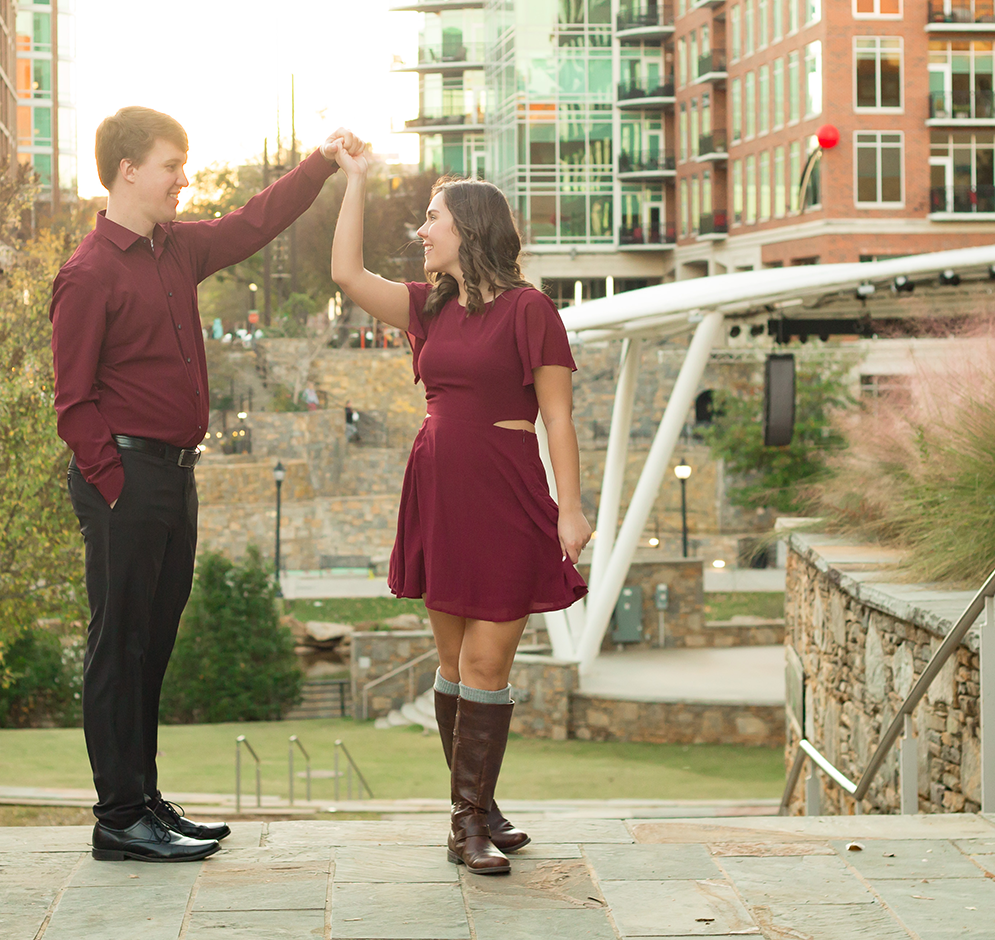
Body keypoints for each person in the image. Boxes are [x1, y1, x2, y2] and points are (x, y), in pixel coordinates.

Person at [50, 106, 359, 863]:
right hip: (125, 481)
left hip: (174, 477)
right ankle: (118, 817)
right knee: (117, 647)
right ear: (128, 170)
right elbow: (71, 401)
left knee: (151, 647)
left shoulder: (178, 249)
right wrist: (116, 484)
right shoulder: (88, 273)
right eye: (170, 168)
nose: (183, 181)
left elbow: (255, 222)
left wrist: (320, 163)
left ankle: (144, 798)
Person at [330, 146, 590, 875]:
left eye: (432, 219)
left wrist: (570, 509)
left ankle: (467, 821)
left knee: (486, 659)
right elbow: (346, 274)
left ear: (469, 230)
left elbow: (559, 421)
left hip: (507, 495)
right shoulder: (426, 305)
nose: (421, 231)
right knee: (452, 661)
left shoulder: (531, 310)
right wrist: (355, 180)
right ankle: (474, 813)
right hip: (438, 490)